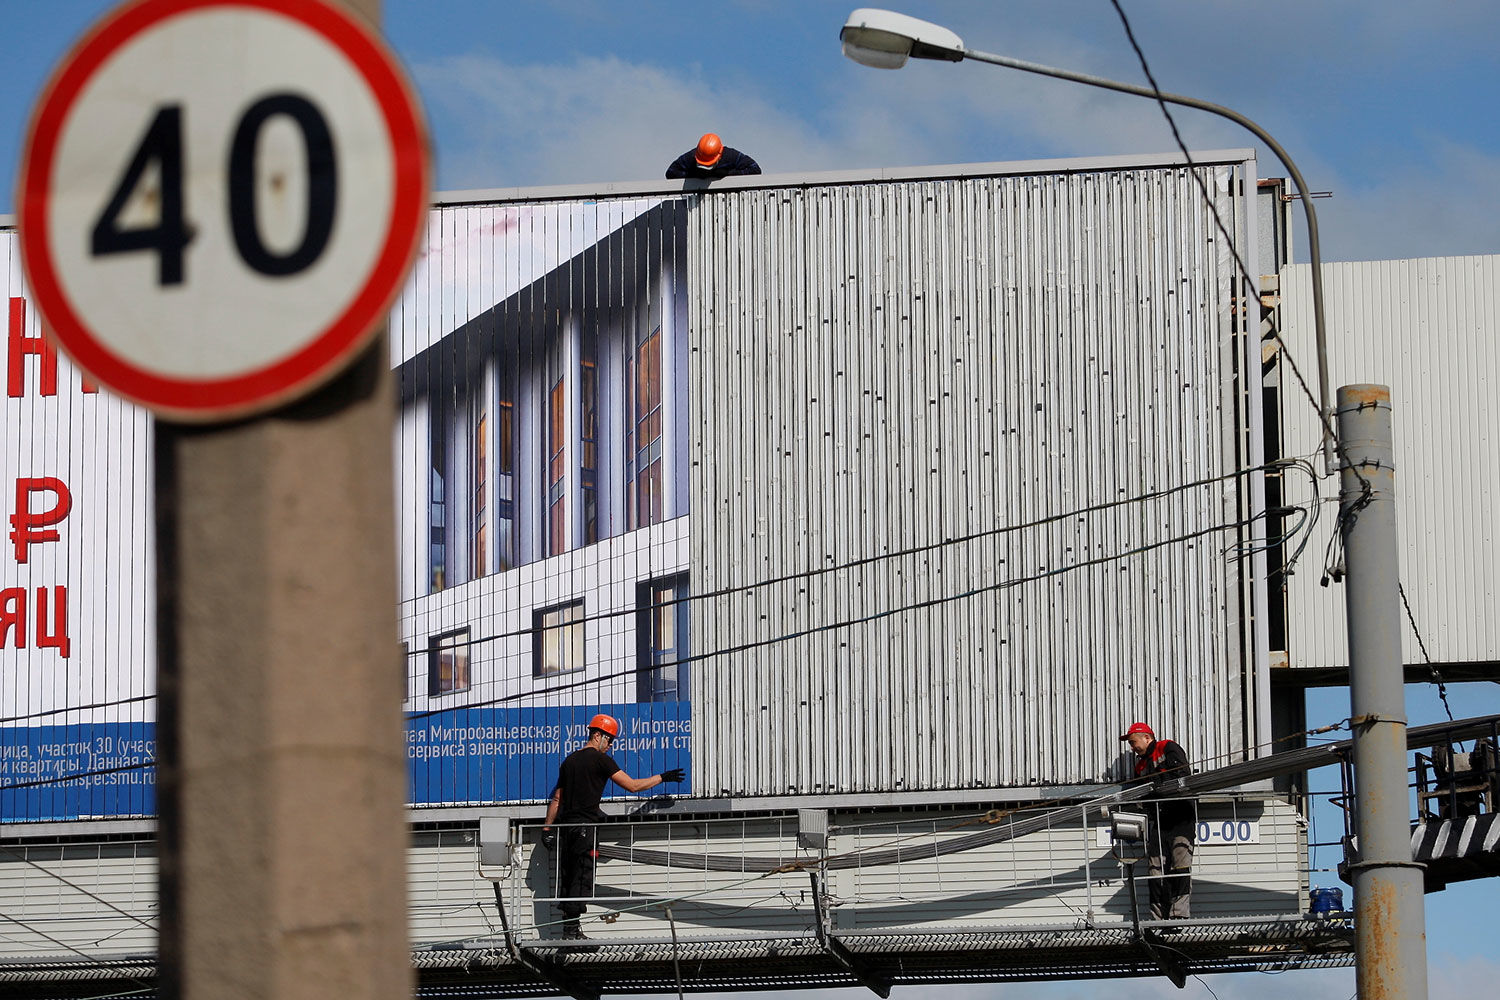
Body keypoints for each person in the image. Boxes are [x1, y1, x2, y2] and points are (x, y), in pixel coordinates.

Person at [540, 713, 685, 939]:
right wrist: (662, 778)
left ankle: (571, 929)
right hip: (585, 828)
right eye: (609, 740)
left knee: (569, 877)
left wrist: (547, 829)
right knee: (582, 876)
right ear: (597, 735)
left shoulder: (569, 761)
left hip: (565, 829)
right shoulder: (600, 760)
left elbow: (557, 799)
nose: (610, 745)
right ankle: (571, 932)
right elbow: (633, 786)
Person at [1120, 721, 1195, 920]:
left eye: (1133, 741)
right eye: (1130, 743)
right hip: (1159, 821)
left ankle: (1178, 914)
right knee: (1155, 869)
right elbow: (1140, 795)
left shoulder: (1167, 747)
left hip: (1180, 817)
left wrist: (1158, 790)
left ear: (1147, 737)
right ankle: (1158, 917)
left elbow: (1182, 776)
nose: (1132, 746)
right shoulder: (1140, 766)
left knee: (1179, 865)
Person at [665, 132, 761, 179]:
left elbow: (755, 169)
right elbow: (671, 173)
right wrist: (693, 175)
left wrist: (727, 174)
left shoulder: (731, 156)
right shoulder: (690, 157)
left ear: (719, 156)